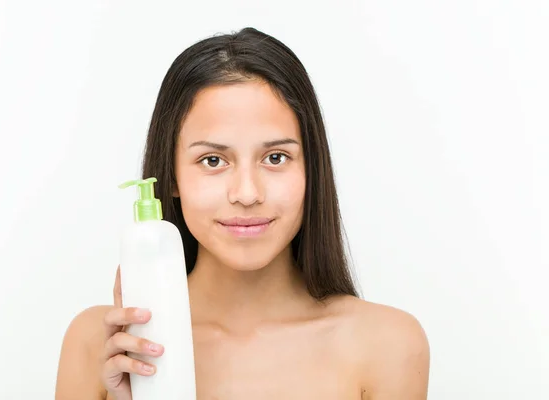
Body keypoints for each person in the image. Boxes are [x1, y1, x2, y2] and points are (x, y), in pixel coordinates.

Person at [54, 27, 430, 399]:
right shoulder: (104, 348)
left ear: (311, 170)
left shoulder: (387, 345)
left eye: (275, 157)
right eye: (213, 160)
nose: (247, 193)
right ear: (171, 177)